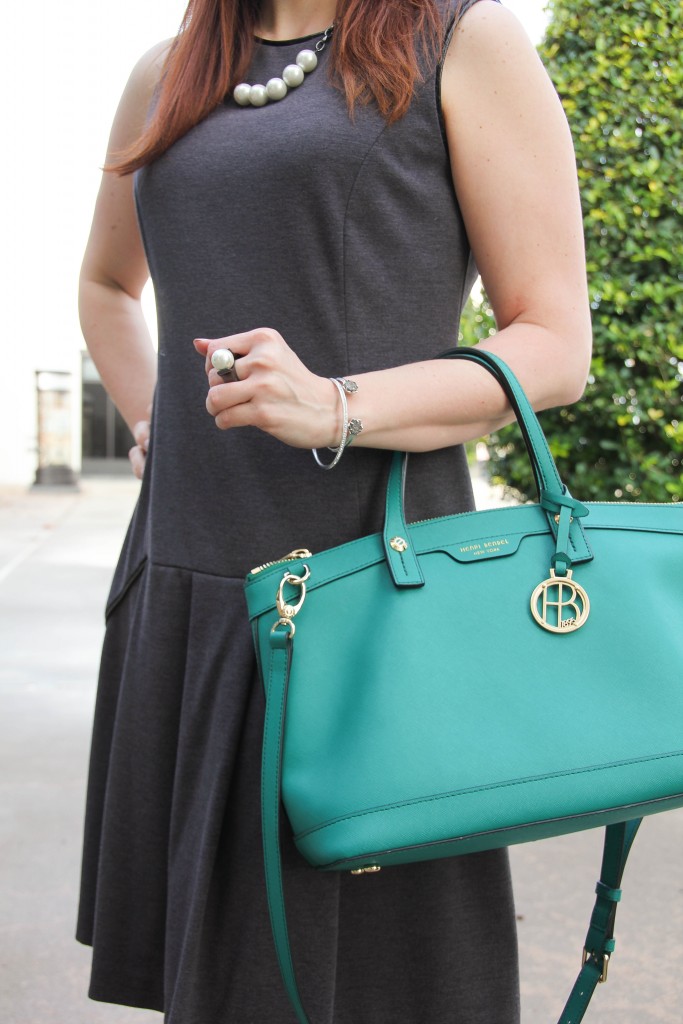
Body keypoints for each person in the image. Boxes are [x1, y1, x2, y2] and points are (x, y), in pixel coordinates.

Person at [76, 0, 592, 1020]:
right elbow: (104, 283)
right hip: (190, 584)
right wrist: (155, 419)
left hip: (366, 587)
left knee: (387, 986)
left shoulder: (459, 40)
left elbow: (552, 340)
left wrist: (334, 405)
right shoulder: (167, 71)